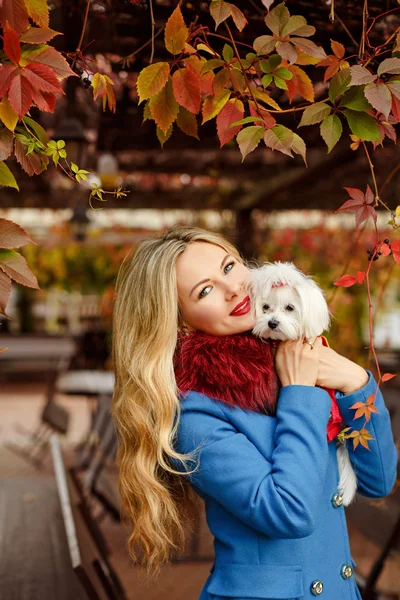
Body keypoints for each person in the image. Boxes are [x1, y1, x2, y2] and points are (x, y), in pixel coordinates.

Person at [112, 225, 398, 600]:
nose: (232, 289)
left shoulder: (289, 356)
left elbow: (379, 480)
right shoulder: (197, 416)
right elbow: (289, 513)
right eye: (206, 290)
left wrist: (357, 382)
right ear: (179, 320)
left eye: (230, 267)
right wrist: (298, 391)